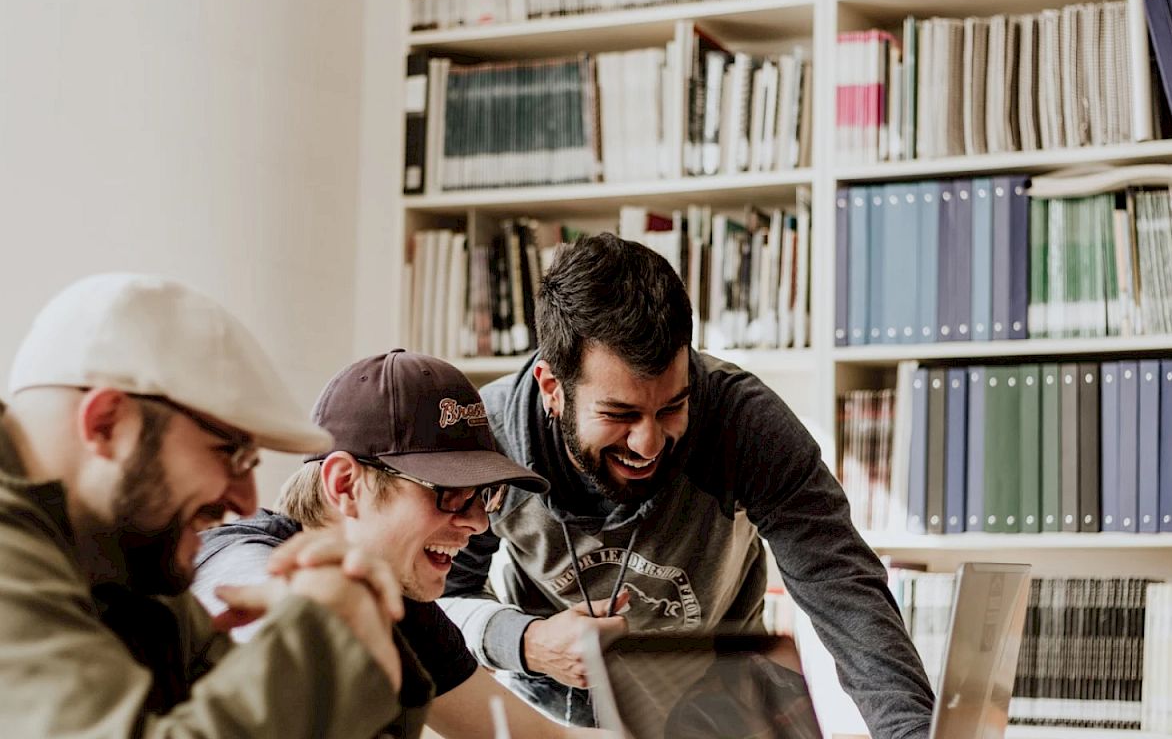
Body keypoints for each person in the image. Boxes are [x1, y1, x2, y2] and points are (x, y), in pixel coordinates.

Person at [439, 233, 936, 738]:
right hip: (552, 716)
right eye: (619, 414)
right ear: (552, 388)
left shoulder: (742, 421)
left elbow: (842, 584)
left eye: (671, 407)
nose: (649, 443)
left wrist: (911, 731)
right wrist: (526, 642)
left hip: (721, 705)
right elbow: (438, 601)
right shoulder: (490, 437)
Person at [0, 273, 409, 737]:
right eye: (231, 453)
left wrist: (362, 623)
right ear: (106, 424)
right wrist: (324, 632)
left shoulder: (130, 555)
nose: (247, 501)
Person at [193, 349, 609, 738]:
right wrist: (308, 616)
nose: (479, 523)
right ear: (345, 485)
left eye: (486, 494)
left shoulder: (403, 603)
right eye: (449, 491)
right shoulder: (236, 555)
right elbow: (257, 601)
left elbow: (540, 736)